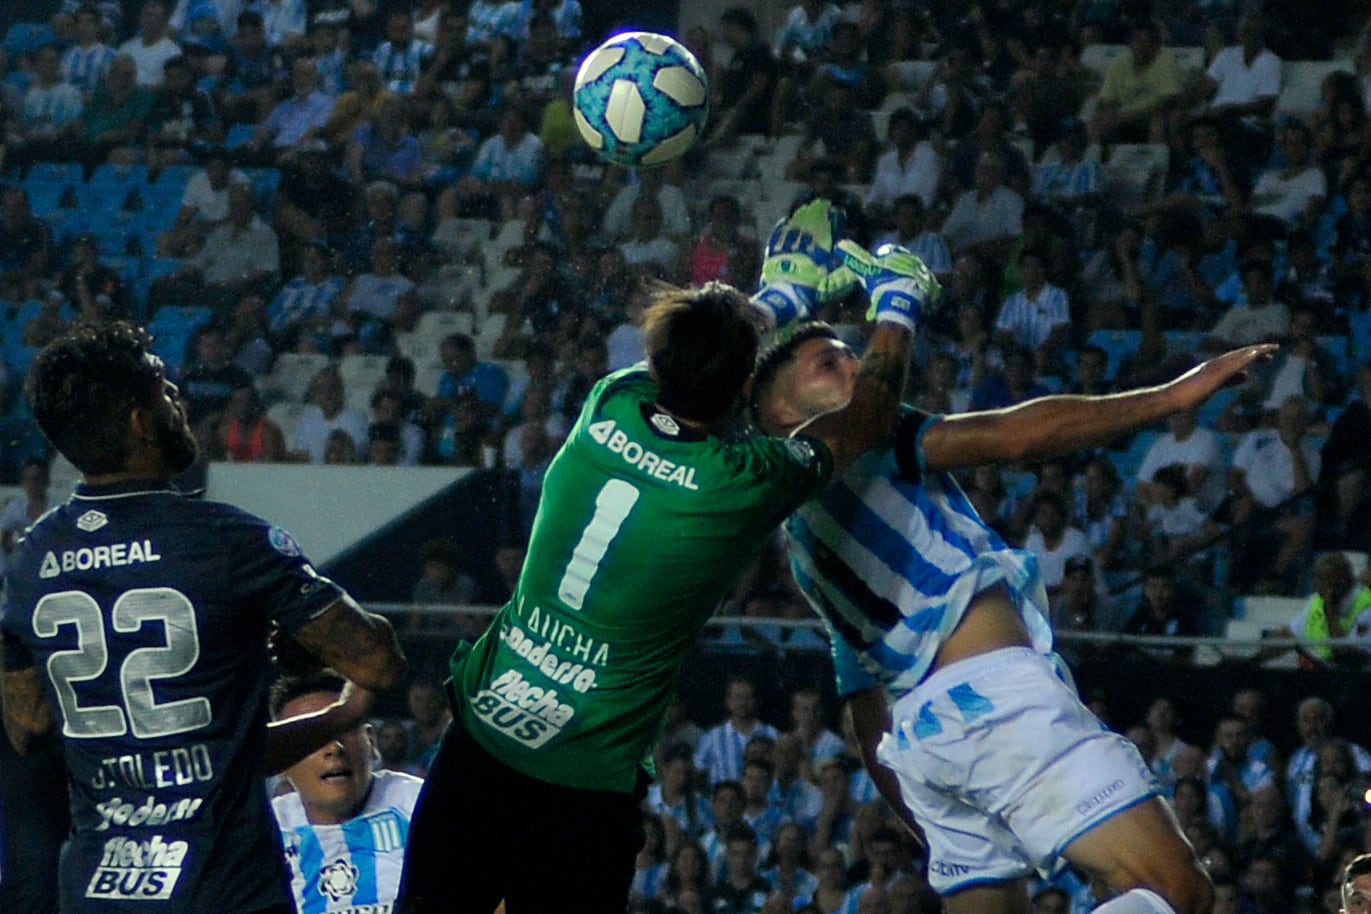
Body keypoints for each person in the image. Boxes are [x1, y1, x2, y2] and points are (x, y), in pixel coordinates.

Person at [395, 200, 934, 914]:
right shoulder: (737, 483)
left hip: (480, 745)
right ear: (743, 387)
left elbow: (688, 368)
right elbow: (863, 419)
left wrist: (780, 298)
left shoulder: (609, 401)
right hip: (583, 786)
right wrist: (898, 301)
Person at [750, 312, 1276, 914]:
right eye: (828, 363)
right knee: (1175, 889)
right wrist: (1175, 395)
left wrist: (931, 819)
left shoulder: (805, 540)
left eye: (850, 354)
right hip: (993, 701)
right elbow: (1017, 436)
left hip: (924, 741)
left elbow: (867, 717)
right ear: (783, 414)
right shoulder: (864, 437)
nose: (854, 366)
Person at [0, 320, 406, 913]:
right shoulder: (226, 540)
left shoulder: (30, 560)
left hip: (98, 891)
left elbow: (29, 729)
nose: (178, 403)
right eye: (165, 389)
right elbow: (379, 662)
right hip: (220, 890)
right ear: (140, 421)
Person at [270, 670, 423, 914]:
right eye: (312, 738)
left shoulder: (418, 806)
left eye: (346, 730)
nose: (334, 748)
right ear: (281, 763)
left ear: (371, 742)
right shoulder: (266, 835)